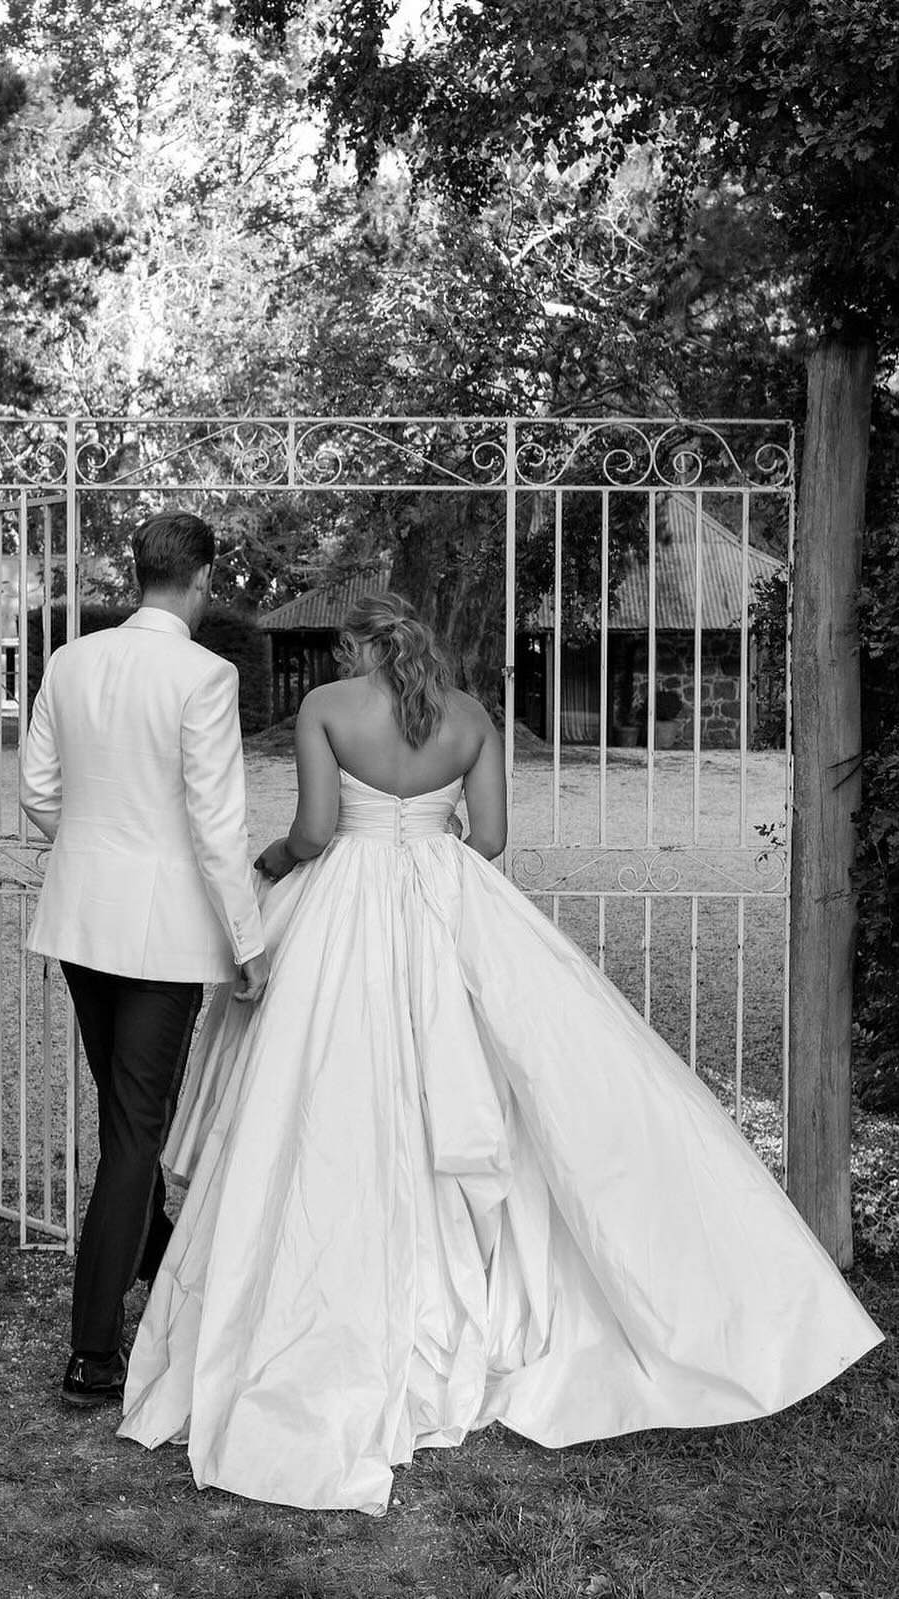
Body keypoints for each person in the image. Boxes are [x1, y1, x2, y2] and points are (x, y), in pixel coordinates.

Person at [117, 591, 884, 1515]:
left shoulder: (326, 708)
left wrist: (276, 864)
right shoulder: (474, 718)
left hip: (344, 900)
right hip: (443, 895)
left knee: (323, 1082)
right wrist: (424, 850)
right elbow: (490, 841)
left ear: (357, 646)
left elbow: (316, 832)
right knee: (478, 1074)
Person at [20, 510, 269, 1409]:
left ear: (138, 574)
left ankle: (159, 1261)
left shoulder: (69, 661)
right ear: (200, 580)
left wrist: (93, 847)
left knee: (126, 1115)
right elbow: (216, 822)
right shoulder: (207, 674)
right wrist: (249, 942)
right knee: (135, 1128)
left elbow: (38, 793)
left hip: (82, 923)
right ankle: (92, 1351)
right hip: (162, 937)